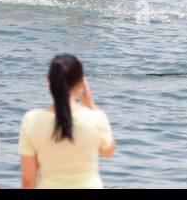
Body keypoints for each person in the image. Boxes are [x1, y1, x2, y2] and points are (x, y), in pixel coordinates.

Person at [19, 54, 115, 189]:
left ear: (48, 79)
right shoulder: (96, 118)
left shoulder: (31, 120)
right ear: (81, 82)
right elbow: (108, 152)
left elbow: (28, 180)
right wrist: (91, 105)